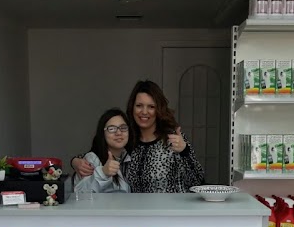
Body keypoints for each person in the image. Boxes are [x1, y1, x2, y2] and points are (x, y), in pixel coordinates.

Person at [72, 80, 204, 193]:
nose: (144, 112)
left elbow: (198, 181)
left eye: (151, 107)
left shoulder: (172, 140)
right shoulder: (129, 141)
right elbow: (103, 151)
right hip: (137, 214)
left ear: (158, 110)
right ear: (132, 108)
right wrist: (75, 161)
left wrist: (185, 151)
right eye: (139, 106)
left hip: (170, 213)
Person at [73, 108, 131, 193]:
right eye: (111, 129)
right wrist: (103, 173)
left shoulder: (129, 157)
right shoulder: (92, 159)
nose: (119, 133)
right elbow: (79, 193)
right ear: (103, 133)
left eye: (123, 128)